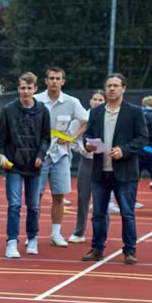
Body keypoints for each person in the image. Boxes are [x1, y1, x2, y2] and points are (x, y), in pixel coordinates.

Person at [81, 72, 148, 265]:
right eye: (109, 85)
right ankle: (97, 248)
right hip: (100, 171)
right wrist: (88, 144)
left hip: (125, 172)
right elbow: (89, 135)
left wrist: (124, 150)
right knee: (99, 214)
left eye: (115, 85)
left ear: (123, 88)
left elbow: (143, 138)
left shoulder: (134, 112)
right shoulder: (96, 112)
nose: (111, 88)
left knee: (127, 213)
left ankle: (129, 250)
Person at [0, 72, 51, 258]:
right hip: (14, 165)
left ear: (35, 89)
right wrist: (1, 155)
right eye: (22, 88)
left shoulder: (43, 110)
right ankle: (11, 243)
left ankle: (32, 238)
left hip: (34, 166)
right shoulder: (8, 110)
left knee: (33, 205)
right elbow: (0, 138)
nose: (25, 91)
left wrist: (41, 155)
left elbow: (46, 137)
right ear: (18, 89)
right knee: (15, 205)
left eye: (29, 88)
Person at [34, 66, 88, 247]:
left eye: (58, 78)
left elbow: (86, 120)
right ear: (46, 80)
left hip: (61, 154)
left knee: (59, 195)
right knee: (36, 195)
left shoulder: (72, 102)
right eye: (51, 78)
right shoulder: (36, 100)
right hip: (39, 154)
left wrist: (73, 137)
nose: (54, 81)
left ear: (63, 81)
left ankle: (56, 234)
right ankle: (32, 233)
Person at [68, 89, 105, 244]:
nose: (97, 102)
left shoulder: (108, 118)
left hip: (104, 161)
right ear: (90, 101)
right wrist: (82, 150)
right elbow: (72, 137)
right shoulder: (82, 118)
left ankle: (101, 234)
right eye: (95, 99)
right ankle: (79, 231)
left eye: (100, 100)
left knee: (102, 198)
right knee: (83, 197)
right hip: (87, 161)